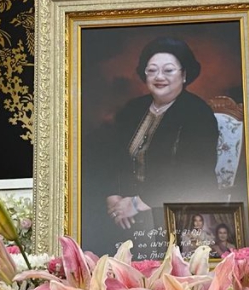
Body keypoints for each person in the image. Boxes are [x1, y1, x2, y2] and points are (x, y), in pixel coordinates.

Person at [84, 37, 220, 257]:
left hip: (177, 209)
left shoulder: (198, 113)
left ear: (184, 74)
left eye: (168, 70)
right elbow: (110, 156)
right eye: (152, 70)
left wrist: (137, 203)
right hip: (126, 210)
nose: (159, 77)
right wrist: (113, 197)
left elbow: (193, 173)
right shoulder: (133, 109)